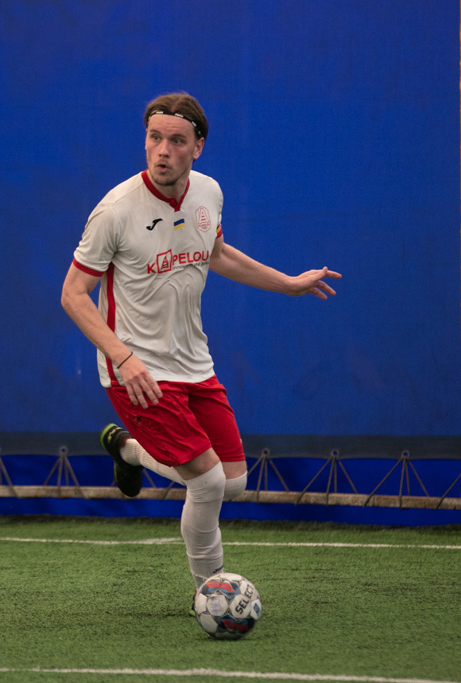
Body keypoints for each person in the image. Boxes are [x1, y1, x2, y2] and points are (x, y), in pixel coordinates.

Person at [61, 92, 340, 605]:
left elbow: (216, 253)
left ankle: (128, 450)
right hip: (136, 372)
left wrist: (288, 284)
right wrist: (124, 358)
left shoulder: (208, 192)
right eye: (154, 138)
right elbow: (73, 295)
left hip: (194, 364)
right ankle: (211, 595)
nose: (162, 150)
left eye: (176, 141)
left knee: (233, 483)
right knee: (208, 483)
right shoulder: (115, 211)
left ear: (198, 147)